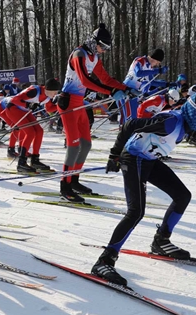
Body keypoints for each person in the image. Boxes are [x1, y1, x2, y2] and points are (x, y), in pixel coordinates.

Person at [91, 92, 196, 286]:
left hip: (148, 160)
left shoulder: (184, 124)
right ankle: (104, 260)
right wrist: (114, 155)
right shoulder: (170, 121)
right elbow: (130, 125)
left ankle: (161, 241)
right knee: (136, 212)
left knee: (182, 196)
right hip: (133, 159)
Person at [58, 23, 128, 203]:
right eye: (102, 47)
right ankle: (64, 186)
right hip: (67, 103)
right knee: (73, 146)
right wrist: (110, 92)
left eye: (106, 48)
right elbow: (85, 80)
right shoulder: (79, 54)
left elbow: (105, 78)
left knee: (86, 144)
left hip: (79, 103)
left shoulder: (94, 57)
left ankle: (74, 180)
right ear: (93, 41)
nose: (103, 51)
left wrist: (125, 88)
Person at [0, 78, 61, 173]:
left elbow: (50, 109)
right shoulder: (34, 91)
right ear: (47, 88)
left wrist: (60, 106)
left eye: (56, 92)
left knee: (39, 131)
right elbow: (15, 99)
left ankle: (35, 160)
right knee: (30, 132)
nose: (55, 94)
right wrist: (27, 104)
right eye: (54, 92)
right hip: (13, 109)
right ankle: (21, 163)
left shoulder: (48, 96)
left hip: (24, 111)